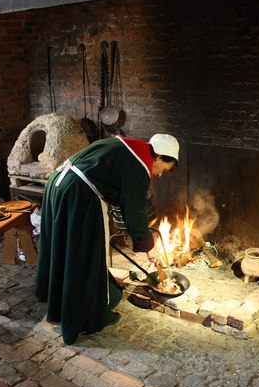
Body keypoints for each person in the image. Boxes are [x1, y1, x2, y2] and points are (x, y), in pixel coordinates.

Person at [36, 133, 179, 344]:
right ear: (158, 157)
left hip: (57, 185)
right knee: (83, 256)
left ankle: (57, 302)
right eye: (164, 170)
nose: (158, 175)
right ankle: (88, 317)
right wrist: (150, 248)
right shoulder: (139, 167)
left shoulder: (121, 145)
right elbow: (134, 212)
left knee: (62, 247)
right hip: (78, 195)